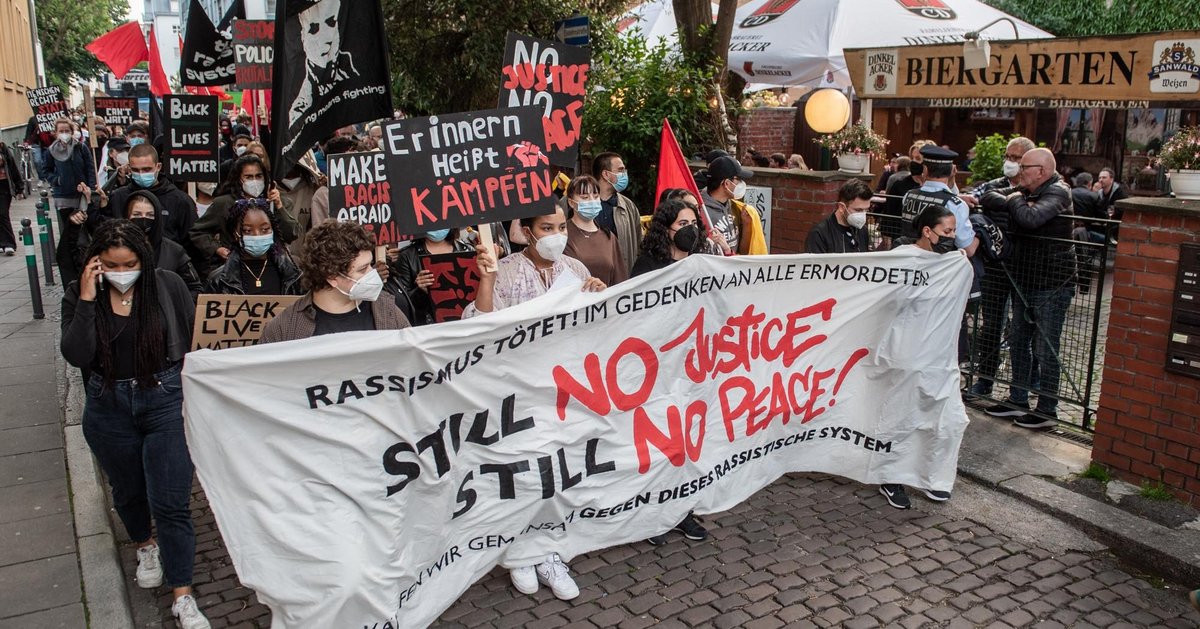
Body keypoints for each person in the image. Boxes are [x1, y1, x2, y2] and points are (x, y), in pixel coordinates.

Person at [60, 220, 210, 629]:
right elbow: (76, 354)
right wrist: (89, 299)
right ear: (96, 263)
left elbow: (192, 340)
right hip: (108, 404)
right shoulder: (79, 294)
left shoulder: (166, 286)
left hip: (163, 399)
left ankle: (182, 592)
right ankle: (145, 543)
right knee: (127, 490)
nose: (121, 272)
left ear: (143, 260)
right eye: (110, 264)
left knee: (172, 501)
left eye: (129, 263)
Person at [463, 205, 605, 600]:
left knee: (557, 473)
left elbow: (594, 331)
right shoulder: (505, 270)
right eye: (547, 228)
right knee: (521, 474)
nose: (557, 234)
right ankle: (517, 553)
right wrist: (487, 282)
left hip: (562, 392)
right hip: (517, 391)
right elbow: (478, 329)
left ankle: (548, 551)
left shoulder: (575, 272)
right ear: (527, 231)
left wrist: (597, 296)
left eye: (562, 226)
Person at [628, 199, 714, 544]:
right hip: (657, 370)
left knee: (687, 442)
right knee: (657, 444)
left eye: (693, 222)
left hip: (693, 368)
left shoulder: (703, 264)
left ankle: (682, 512)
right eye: (682, 223)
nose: (689, 229)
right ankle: (651, 516)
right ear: (666, 228)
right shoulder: (648, 266)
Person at [980, 148, 1075, 428]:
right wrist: (1017, 199)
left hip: (1053, 282)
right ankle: (1017, 399)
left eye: (1025, 167)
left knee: (1045, 347)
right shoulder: (1027, 193)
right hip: (1025, 278)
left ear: (1042, 171)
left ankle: (1047, 409)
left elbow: (1030, 219)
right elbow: (988, 196)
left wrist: (1013, 199)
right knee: (1019, 342)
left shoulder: (1058, 191)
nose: (1019, 172)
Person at [879, 205, 962, 509]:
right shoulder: (900, 260)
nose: (952, 238)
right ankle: (890, 476)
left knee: (946, 420)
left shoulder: (953, 264)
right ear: (927, 231)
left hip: (940, 357)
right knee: (901, 418)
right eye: (947, 232)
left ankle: (935, 477)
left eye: (954, 232)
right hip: (906, 353)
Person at [963, 137, 1035, 398]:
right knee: (991, 325)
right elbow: (973, 198)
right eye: (1008, 156)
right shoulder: (993, 186)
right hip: (995, 267)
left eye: (1016, 158)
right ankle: (985, 380)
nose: (1010, 162)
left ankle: (1024, 387)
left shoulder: (1038, 188)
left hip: (1024, 268)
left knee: (1023, 330)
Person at [260, 221, 409, 343]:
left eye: (371, 264)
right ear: (332, 277)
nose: (372, 273)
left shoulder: (387, 312)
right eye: (362, 270)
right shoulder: (284, 329)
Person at [190, 155, 299, 276]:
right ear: (239, 179)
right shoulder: (224, 203)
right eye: (248, 177)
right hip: (235, 269)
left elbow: (291, 234)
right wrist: (217, 249)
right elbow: (198, 232)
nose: (254, 181)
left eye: (258, 176)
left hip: (272, 267)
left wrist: (278, 206)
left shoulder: (278, 201)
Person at [100, 145, 198, 254]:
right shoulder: (118, 197)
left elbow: (191, 242)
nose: (141, 174)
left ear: (158, 166)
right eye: (136, 170)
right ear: (129, 168)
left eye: (147, 169)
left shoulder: (180, 200)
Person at [204, 199, 302, 296]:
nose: (257, 235)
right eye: (247, 230)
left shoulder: (294, 274)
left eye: (265, 229)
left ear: (273, 230)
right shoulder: (219, 280)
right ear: (235, 234)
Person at [41, 117, 97, 286]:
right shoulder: (51, 151)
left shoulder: (81, 148)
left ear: (72, 132)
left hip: (81, 195)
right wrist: (56, 180)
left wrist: (90, 186)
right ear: (55, 133)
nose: (64, 134)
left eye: (67, 131)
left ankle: (82, 258)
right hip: (63, 197)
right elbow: (46, 170)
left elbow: (89, 167)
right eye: (61, 131)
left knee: (82, 227)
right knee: (70, 231)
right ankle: (73, 260)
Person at [289, 0, 360, 127]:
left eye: (331, 23)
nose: (326, 36)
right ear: (303, 37)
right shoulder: (299, 104)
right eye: (314, 28)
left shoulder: (357, 71)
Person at [121, 191, 203, 299]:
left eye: (150, 215)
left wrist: (172, 306)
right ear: (127, 217)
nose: (143, 219)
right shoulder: (116, 249)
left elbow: (195, 289)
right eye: (137, 215)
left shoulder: (174, 251)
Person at [901, 146, 977, 257]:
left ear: (925, 170)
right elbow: (968, 249)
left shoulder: (909, 195)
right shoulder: (956, 204)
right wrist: (981, 233)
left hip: (908, 259)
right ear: (952, 170)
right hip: (939, 267)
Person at [389, 227, 473, 325]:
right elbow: (402, 304)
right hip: (428, 327)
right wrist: (420, 290)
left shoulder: (467, 250)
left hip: (465, 324)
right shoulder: (407, 256)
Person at [563, 175, 628, 286]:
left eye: (596, 196)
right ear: (571, 202)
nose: (592, 201)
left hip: (605, 301)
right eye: (585, 197)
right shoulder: (562, 235)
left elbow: (620, 282)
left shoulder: (609, 237)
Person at [700, 156, 767, 256]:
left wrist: (746, 225)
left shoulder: (735, 206)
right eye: (738, 179)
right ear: (726, 183)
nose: (742, 183)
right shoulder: (701, 212)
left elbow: (743, 252)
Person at [592, 152, 642, 273]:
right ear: (606, 174)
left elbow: (638, 245)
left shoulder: (629, 207)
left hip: (622, 279)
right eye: (620, 170)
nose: (625, 174)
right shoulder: (581, 205)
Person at [806, 179, 872, 254]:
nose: (862, 215)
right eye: (858, 210)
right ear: (841, 207)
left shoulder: (862, 230)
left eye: (866, 210)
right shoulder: (819, 234)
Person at [0, 141, 26, 255]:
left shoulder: (2, 147)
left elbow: (12, 167)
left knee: (3, 213)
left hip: (3, 185)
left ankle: (9, 244)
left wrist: (20, 187)